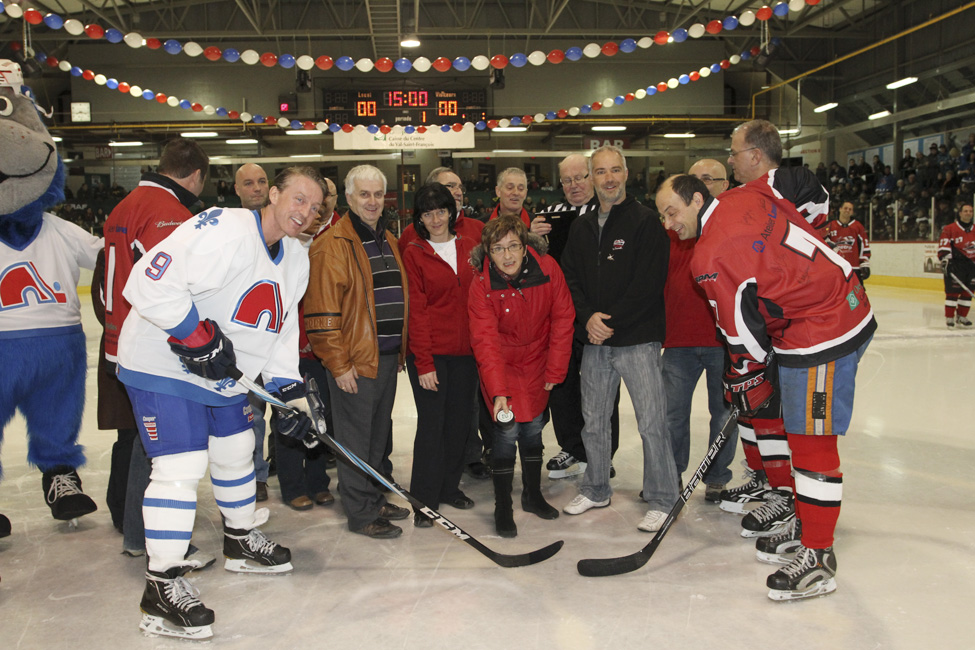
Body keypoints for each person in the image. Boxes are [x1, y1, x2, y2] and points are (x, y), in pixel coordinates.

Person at [117, 166, 327, 638]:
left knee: (237, 452)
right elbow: (147, 282)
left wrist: (289, 391)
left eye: (315, 208)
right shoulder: (224, 227)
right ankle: (161, 585)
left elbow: (281, 328)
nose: (306, 213)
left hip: (225, 373)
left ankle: (239, 540)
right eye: (298, 199)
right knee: (181, 467)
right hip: (163, 362)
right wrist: (194, 335)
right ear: (273, 194)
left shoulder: (296, 255)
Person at [658, 171, 876, 600]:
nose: (668, 223)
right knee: (794, 429)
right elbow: (803, 183)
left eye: (672, 211)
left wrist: (744, 376)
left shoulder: (709, 256)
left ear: (697, 199)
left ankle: (818, 558)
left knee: (812, 444)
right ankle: (806, 523)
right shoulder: (747, 192)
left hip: (824, 329)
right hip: (836, 304)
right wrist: (807, 243)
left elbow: (743, 339)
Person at [718, 120, 831, 537]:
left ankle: (788, 495)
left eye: (734, 152)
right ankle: (768, 479)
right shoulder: (740, 199)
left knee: (783, 414)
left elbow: (815, 208)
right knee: (755, 408)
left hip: (794, 326)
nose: (731, 159)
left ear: (755, 155)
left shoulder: (785, 182)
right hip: (763, 322)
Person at [560, 145, 677, 534]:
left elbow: (648, 283)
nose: (608, 179)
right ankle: (596, 487)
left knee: (652, 422)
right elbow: (570, 279)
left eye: (615, 171)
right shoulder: (582, 225)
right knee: (593, 422)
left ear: (626, 174)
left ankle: (663, 497)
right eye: (600, 172)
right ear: (591, 177)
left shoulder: (645, 222)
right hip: (595, 342)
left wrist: (607, 322)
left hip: (637, 340)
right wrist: (586, 318)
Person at [101, 137, 210, 557]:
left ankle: (133, 530)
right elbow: (174, 287)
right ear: (196, 174)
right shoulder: (169, 213)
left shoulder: (125, 205)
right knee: (161, 447)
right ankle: (149, 537)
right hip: (151, 345)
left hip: (118, 337)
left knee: (140, 442)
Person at [305, 165, 411, 539]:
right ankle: (361, 512)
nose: (372, 201)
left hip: (383, 357)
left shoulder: (386, 238)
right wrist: (338, 364)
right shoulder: (332, 244)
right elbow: (320, 314)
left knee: (376, 437)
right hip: (353, 361)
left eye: (378, 194)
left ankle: (373, 496)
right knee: (354, 440)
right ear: (349, 198)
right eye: (364, 194)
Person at [468, 216, 574, 537]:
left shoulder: (548, 269)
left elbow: (563, 317)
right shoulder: (481, 285)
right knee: (505, 434)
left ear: (525, 244)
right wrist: (498, 389)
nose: (508, 255)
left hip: (538, 364)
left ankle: (532, 494)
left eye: (514, 245)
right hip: (502, 366)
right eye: (498, 249)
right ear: (488, 251)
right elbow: (485, 342)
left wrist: (555, 369)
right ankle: (504, 505)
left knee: (533, 430)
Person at [530, 153, 621, 480]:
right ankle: (571, 446)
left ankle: (603, 453)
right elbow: (531, 265)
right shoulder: (551, 214)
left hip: (595, 317)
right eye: (567, 180)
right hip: (558, 319)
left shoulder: (610, 211)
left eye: (580, 178)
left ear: (592, 178)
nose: (573, 186)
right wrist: (531, 236)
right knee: (562, 386)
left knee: (601, 388)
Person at [400, 183, 480, 527]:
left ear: (452, 212)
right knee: (432, 427)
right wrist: (424, 362)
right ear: (419, 218)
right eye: (427, 213)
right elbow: (416, 311)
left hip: (467, 354)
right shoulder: (415, 252)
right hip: (431, 355)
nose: (435, 219)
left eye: (441, 211)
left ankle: (449, 487)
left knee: (460, 426)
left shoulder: (470, 245)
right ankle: (424, 498)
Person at [661, 158, 736, 503]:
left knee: (722, 413)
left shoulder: (730, 228)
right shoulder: (673, 227)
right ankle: (672, 473)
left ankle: (717, 476)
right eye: (696, 180)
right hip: (679, 340)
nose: (702, 185)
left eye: (709, 179)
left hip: (722, 342)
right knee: (673, 412)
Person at [233, 162, 272, 502]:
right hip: (243, 341)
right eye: (249, 183)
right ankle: (255, 474)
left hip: (277, 337)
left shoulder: (280, 227)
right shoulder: (228, 229)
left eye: (261, 181)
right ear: (237, 190)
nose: (256, 188)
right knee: (251, 414)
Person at [937, 202, 975, 327]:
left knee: (967, 292)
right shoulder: (950, 229)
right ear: (960, 213)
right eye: (966, 211)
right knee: (952, 292)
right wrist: (946, 261)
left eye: (970, 211)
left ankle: (962, 316)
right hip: (956, 265)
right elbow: (944, 245)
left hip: (972, 266)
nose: (968, 213)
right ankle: (950, 317)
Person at [825, 201, 872, 283]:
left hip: (854, 268)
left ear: (852, 212)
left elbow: (865, 245)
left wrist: (864, 264)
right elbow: (824, 244)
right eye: (845, 208)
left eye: (850, 209)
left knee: (858, 294)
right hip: (836, 267)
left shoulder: (858, 226)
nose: (847, 210)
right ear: (840, 209)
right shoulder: (831, 226)